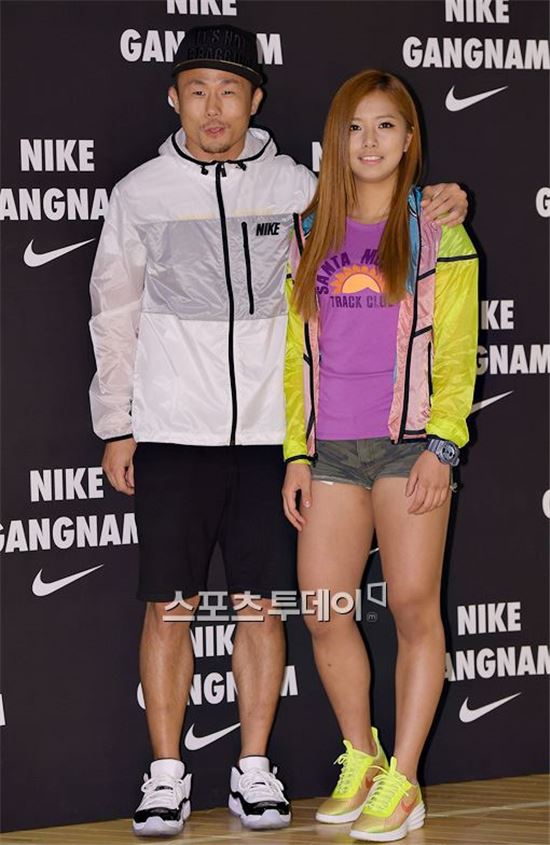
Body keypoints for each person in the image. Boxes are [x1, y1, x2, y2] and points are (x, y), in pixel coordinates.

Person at [88, 22, 469, 837]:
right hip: (178, 430)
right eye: (197, 90)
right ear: (173, 98)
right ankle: (167, 773)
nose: (213, 108)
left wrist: (445, 199)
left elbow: (394, 212)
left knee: (267, 604)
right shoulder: (140, 194)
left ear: (255, 100)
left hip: (274, 436)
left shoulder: (300, 190)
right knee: (172, 604)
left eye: (229, 91)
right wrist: (118, 422)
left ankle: (256, 767)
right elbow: (112, 314)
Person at [282, 69, 478, 843]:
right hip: (332, 451)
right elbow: (295, 357)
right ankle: (362, 759)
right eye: (356, 127)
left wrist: (442, 445)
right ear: (336, 139)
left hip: (409, 447)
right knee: (325, 609)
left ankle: (405, 781)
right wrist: (297, 453)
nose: (370, 141)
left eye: (386, 125)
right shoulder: (308, 232)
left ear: (409, 138)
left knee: (412, 606)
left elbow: (456, 353)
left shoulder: (440, 230)